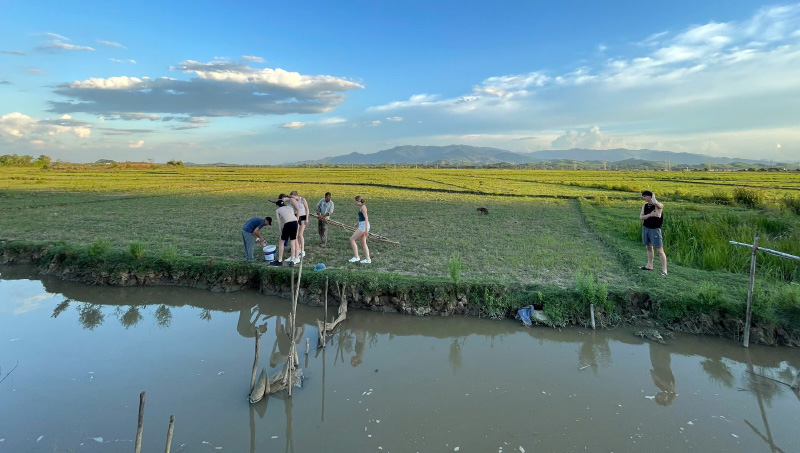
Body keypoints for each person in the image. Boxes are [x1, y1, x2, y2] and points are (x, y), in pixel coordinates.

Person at [639, 190, 668, 276]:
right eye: (643, 196)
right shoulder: (644, 206)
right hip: (646, 228)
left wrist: (654, 198)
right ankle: (649, 265)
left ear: (650, 197)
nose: (643, 198)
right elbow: (641, 217)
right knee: (648, 247)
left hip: (655, 229)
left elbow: (659, 209)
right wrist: (649, 215)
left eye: (644, 196)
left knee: (659, 250)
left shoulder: (659, 205)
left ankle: (664, 270)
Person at [274, 198, 299, 266]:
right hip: (295, 223)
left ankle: (279, 260)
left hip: (288, 224)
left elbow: (279, 223)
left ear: (277, 205)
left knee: (282, 241)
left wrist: (281, 232)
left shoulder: (278, 210)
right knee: (293, 241)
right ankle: (292, 261)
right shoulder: (290, 207)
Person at [348, 196, 371, 264]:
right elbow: (362, 218)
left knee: (352, 239)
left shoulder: (363, 207)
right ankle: (368, 259)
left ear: (358, 201)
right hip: (362, 225)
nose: (354, 202)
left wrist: (366, 230)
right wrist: (357, 223)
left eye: (355, 201)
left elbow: (366, 218)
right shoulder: (362, 207)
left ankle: (356, 257)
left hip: (363, 226)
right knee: (363, 242)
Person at [289, 191, 310, 258]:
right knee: (297, 234)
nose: (292, 198)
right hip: (297, 217)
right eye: (291, 197)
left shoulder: (302, 199)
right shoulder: (292, 201)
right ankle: (298, 248)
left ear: (296, 195)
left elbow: (307, 209)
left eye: (293, 197)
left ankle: (302, 250)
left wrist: (307, 218)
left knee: (300, 234)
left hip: (303, 217)